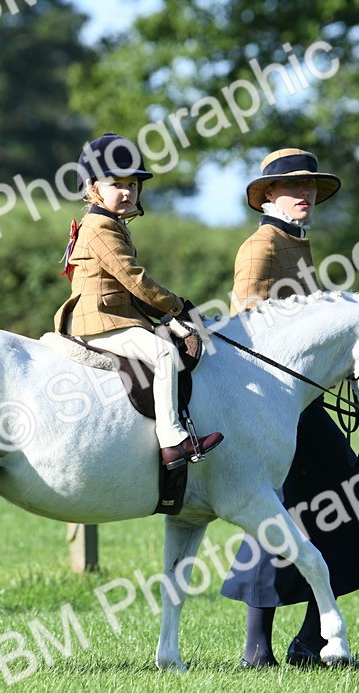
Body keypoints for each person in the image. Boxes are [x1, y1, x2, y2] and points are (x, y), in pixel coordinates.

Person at [220, 148, 359, 667]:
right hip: (270, 406)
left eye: (311, 188)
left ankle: (310, 642)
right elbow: (250, 328)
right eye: (293, 187)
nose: (305, 196)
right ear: (268, 196)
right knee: (277, 518)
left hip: (303, 403)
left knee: (345, 510)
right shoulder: (260, 248)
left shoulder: (298, 245)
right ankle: (257, 651)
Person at [54, 133, 223, 469]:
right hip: (101, 320)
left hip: (116, 314)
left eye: (133, 184)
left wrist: (167, 319)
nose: (128, 192)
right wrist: (178, 306)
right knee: (163, 353)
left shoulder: (111, 223)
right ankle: (172, 439)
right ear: (93, 189)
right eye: (117, 184)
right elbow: (135, 280)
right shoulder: (101, 226)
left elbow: (129, 290)